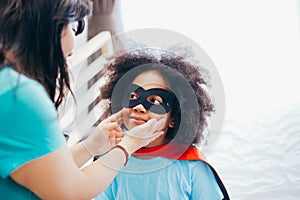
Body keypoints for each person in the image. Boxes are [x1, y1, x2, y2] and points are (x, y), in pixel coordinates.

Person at [0, 0, 165, 199]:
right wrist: (128, 145)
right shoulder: (20, 97)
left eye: (155, 100)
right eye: (72, 26)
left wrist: (91, 146)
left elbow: (45, 169)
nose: (74, 36)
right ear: (49, 26)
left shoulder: (9, 86)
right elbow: (70, 191)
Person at [95, 46, 230, 199]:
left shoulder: (192, 166)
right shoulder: (108, 161)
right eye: (133, 96)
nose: (139, 107)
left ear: (173, 118)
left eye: (154, 100)